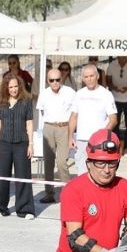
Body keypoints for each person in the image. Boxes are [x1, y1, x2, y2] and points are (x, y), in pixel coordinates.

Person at [55, 129, 127, 252]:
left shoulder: (123, 186)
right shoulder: (74, 190)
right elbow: (75, 237)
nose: (107, 170)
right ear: (88, 163)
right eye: (100, 164)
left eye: (112, 163)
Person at [0, 73, 35, 219]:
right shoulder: (0, 102)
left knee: (23, 176)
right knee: (2, 176)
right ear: (6, 88)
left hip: (22, 143)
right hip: (3, 143)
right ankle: (0, 207)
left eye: (16, 86)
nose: (13, 89)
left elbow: (29, 123)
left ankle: (25, 209)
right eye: (10, 87)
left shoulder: (27, 101)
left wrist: (30, 144)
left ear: (20, 86)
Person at [68, 64, 117, 176]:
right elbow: (73, 117)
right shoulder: (79, 94)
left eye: (91, 76)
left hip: (99, 142)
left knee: (99, 173)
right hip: (81, 141)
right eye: (86, 77)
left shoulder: (106, 94)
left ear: (97, 76)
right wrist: (70, 137)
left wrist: (101, 136)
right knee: (82, 173)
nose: (89, 79)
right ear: (82, 79)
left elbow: (113, 119)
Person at [36, 67, 76, 204]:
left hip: (64, 127)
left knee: (61, 162)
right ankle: (49, 193)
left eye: (57, 80)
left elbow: (75, 113)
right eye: (51, 80)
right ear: (47, 81)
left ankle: (67, 192)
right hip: (49, 127)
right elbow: (41, 111)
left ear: (61, 79)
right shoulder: (44, 93)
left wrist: (71, 130)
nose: (55, 83)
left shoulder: (70, 92)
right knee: (48, 162)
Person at [106, 56, 127, 155]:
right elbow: (108, 81)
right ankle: (116, 146)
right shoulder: (112, 65)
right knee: (115, 124)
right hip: (115, 100)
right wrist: (115, 88)